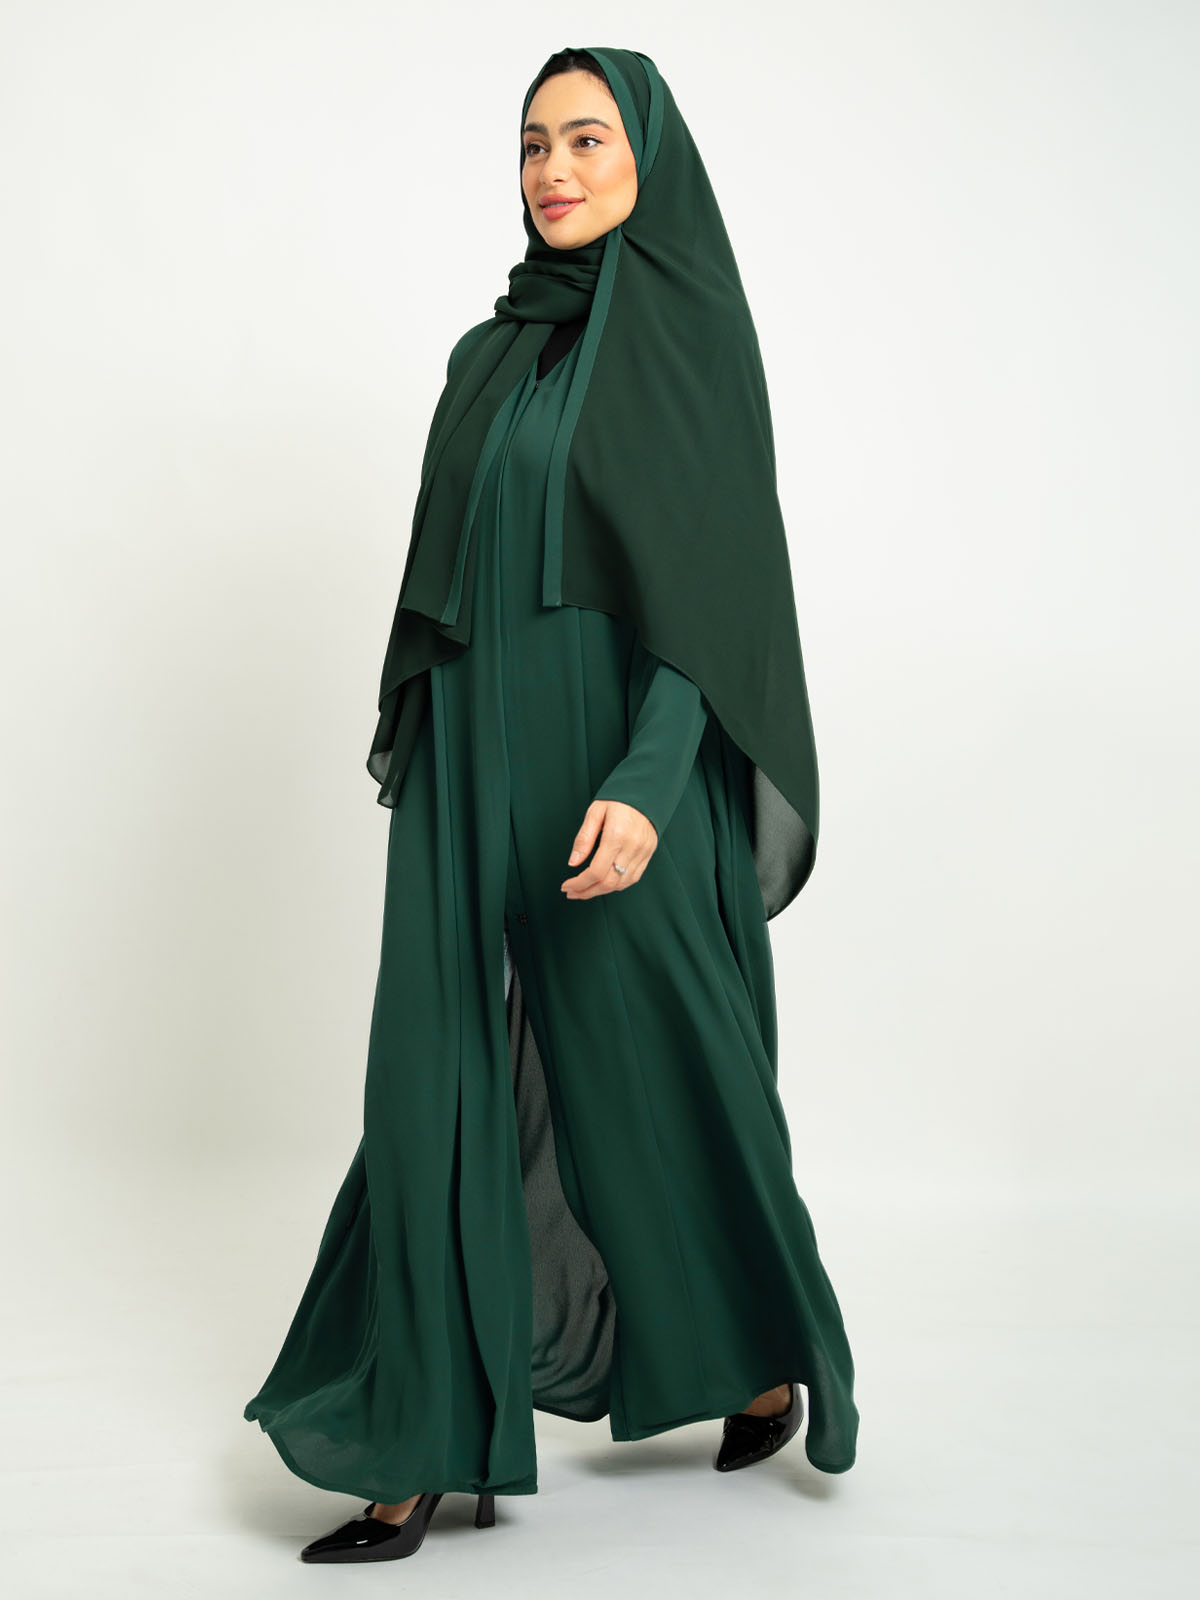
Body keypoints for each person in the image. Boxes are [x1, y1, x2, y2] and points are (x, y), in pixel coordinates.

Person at [243, 44, 860, 1564]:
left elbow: (716, 602)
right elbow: (444, 579)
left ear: (649, 158)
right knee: (430, 1081)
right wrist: (428, 752)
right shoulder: (491, 355)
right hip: (467, 766)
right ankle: (413, 1446)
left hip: (616, 766)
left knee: (667, 1082)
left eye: (587, 139)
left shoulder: (690, 346)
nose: (554, 170)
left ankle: (755, 1355)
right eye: (533, 144)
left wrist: (648, 786)